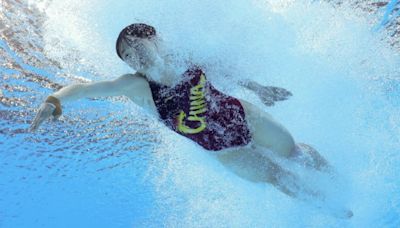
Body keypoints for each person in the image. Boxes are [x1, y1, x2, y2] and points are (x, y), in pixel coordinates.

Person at [30, 23, 330, 198]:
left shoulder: (186, 57)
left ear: (153, 39)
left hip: (246, 117)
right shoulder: (136, 87)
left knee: (296, 154)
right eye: (127, 56)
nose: (134, 57)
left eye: (136, 46)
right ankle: (326, 204)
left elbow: (225, 70)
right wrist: (53, 100)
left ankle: (335, 177)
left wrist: (259, 88)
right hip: (224, 151)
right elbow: (87, 89)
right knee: (277, 178)